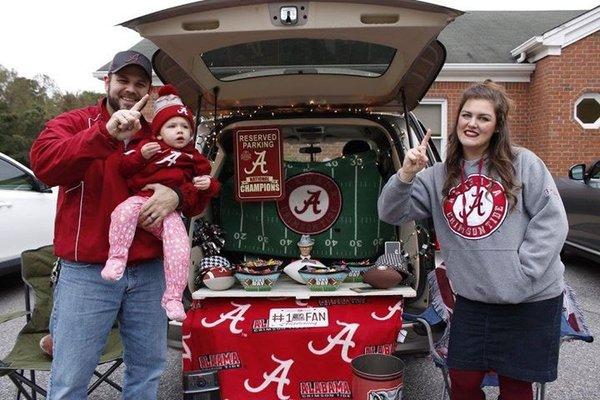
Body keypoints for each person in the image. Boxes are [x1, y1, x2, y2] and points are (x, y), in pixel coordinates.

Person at [30, 50, 212, 399]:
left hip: (148, 271)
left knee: (147, 372)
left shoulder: (160, 135)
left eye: (139, 83)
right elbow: (45, 166)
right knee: (70, 378)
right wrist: (105, 133)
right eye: (123, 81)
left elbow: (194, 187)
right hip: (87, 272)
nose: (130, 89)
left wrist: (177, 195)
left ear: (148, 90)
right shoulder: (75, 123)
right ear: (107, 82)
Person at [378, 81, 567, 400]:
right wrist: (406, 174)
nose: (472, 123)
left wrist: (523, 272)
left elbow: (551, 219)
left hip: (529, 299)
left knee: (516, 386)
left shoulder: (524, 163)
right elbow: (390, 212)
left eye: (483, 118)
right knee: (463, 381)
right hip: (475, 301)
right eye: (467, 115)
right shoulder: (437, 176)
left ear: (497, 127)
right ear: (457, 122)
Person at [101, 84, 220, 322]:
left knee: (179, 245)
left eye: (185, 127)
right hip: (140, 200)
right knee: (122, 212)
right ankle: (116, 258)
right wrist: (140, 155)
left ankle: (174, 297)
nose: (179, 131)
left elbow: (207, 186)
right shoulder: (148, 148)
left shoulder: (194, 159)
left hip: (171, 213)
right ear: (158, 132)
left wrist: (208, 185)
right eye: (172, 126)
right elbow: (123, 169)